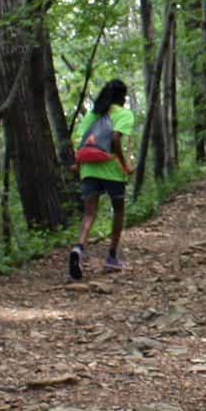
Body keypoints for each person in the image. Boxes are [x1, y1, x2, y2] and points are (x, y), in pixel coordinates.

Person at [71, 79, 134, 278]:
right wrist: (124, 165)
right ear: (122, 97)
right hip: (111, 169)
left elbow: (82, 143)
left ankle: (79, 248)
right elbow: (115, 139)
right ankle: (112, 256)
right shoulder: (124, 114)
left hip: (89, 168)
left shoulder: (93, 114)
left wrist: (78, 166)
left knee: (89, 213)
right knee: (118, 210)